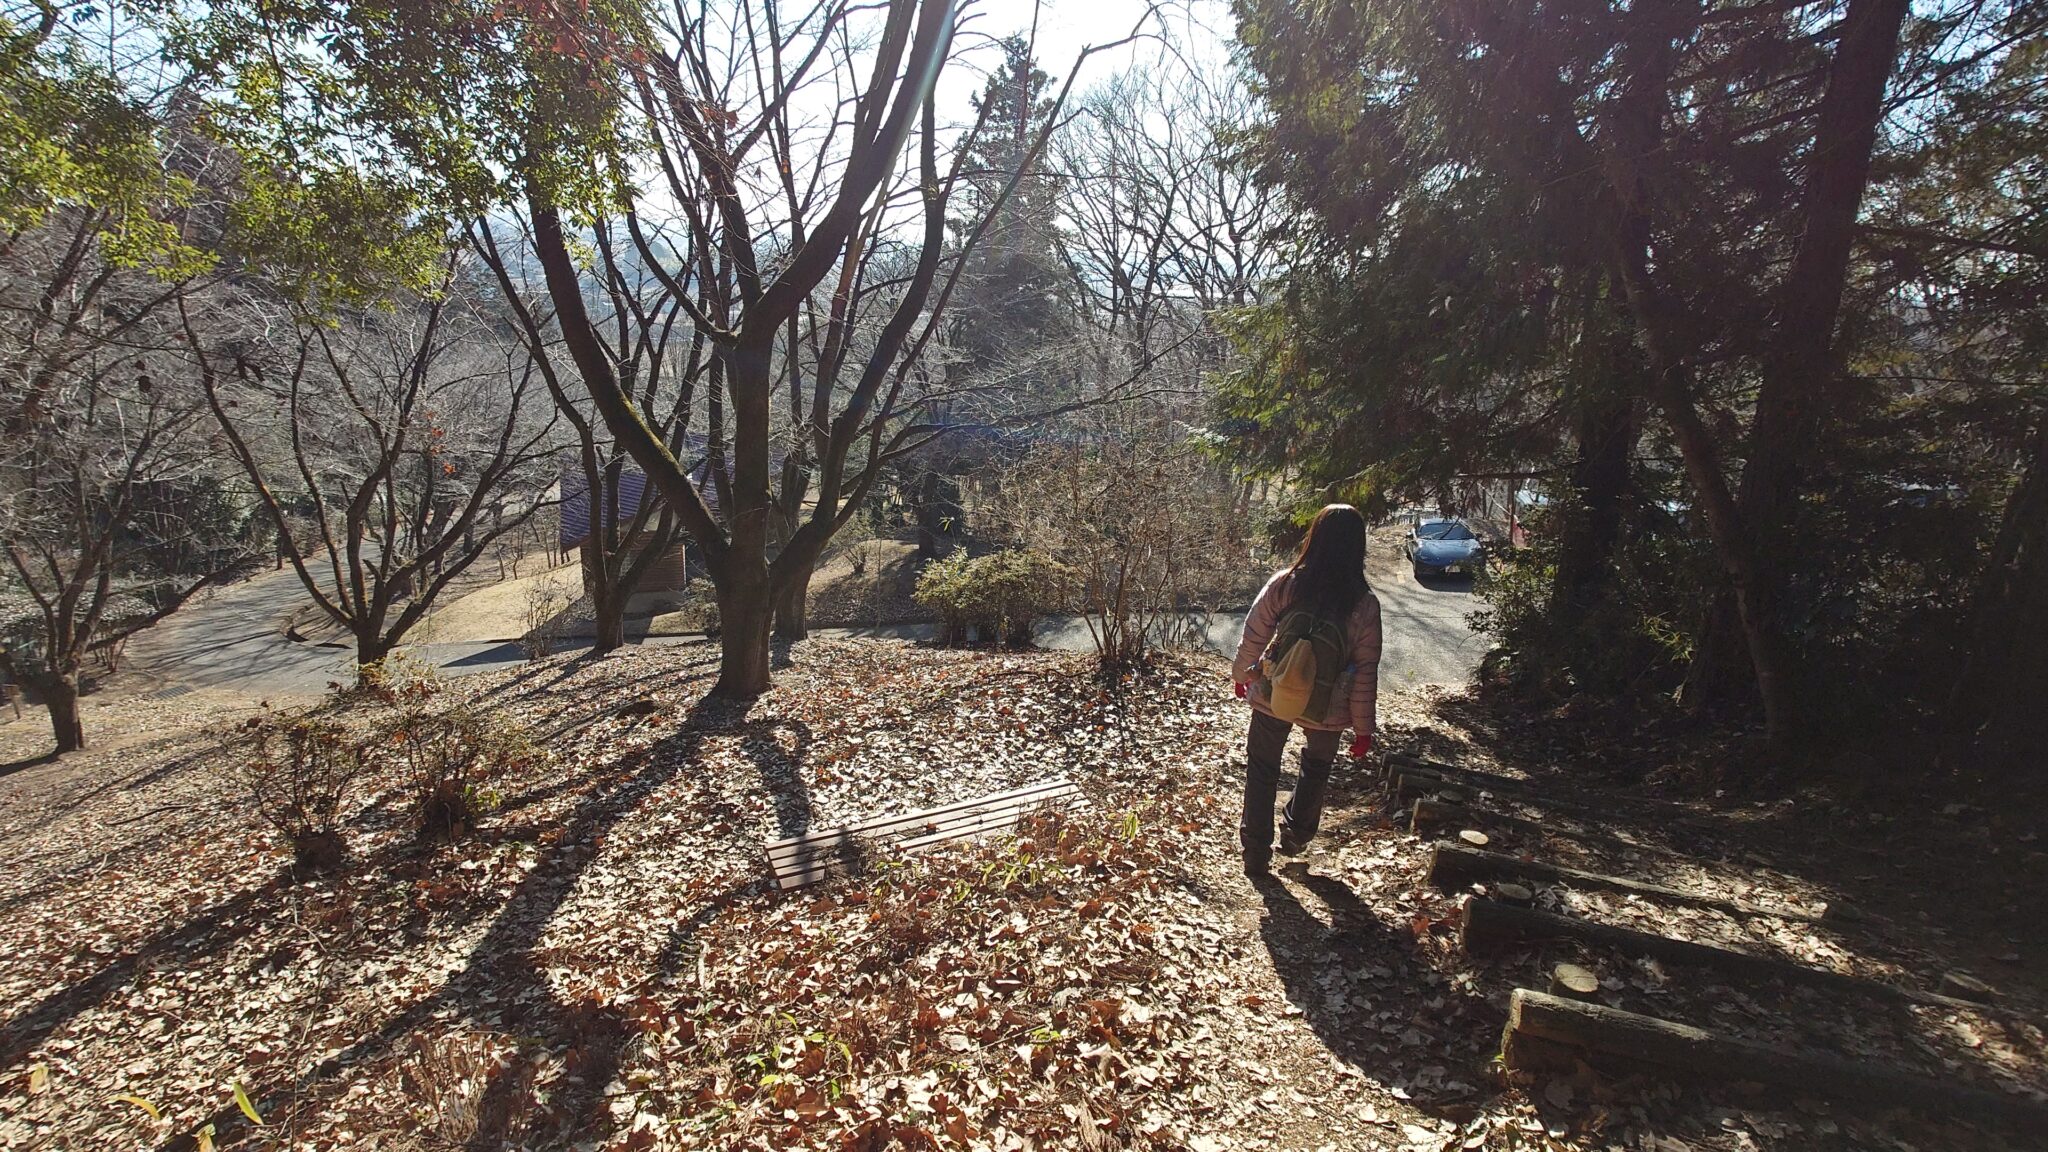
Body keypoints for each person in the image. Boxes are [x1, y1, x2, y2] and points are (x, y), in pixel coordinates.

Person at [1230, 504, 1383, 875]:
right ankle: (1297, 833)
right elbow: (1365, 670)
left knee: (1262, 766)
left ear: (1315, 537)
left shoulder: (1287, 583)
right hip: (1329, 705)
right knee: (1317, 768)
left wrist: (1242, 673)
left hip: (1274, 689)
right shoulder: (1364, 604)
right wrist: (1363, 728)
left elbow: (1255, 633)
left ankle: (1255, 851)